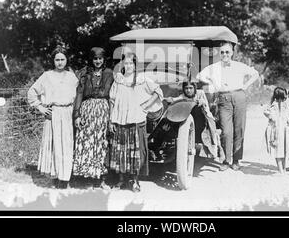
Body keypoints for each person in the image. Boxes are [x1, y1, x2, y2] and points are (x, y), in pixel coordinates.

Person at [196, 41, 259, 171]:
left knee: (239, 128)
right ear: (220, 53)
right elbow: (199, 75)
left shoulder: (239, 66)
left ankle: (236, 160)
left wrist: (245, 86)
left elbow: (255, 74)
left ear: (232, 53)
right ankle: (225, 159)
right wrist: (212, 82)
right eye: (223, 52)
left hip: (239, 96)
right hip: (223, 99)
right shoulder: (214, 67)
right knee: (226, 131)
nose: (225, 54)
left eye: (227, 52)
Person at [108, 53, 163, 192]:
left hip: (136, 119)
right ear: (122, 65)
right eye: (126, 64)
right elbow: (112, 101)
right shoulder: (118, 80)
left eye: (131, 63)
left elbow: (157, 91)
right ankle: (121, 180)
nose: (128, 66)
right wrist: (111, 120)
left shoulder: (142, 79)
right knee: (120, 151)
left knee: (136, 152)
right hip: (119, 120)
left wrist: (145, 106)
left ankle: (135, 181)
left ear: (135, 65)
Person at [27, 46, 78, 189]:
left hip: (67, 113)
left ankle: (65, 178)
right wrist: (40, 107)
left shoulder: (72, 77)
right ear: (53, 61)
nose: (60, 62)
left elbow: (77, 96)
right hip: (53, 113)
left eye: (62, 59)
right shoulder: (47, 76)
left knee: (66, 145)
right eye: (57, 60)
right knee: (54, 145)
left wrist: (76, 114)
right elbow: (32, 92)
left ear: (67, 60)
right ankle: (55, 175)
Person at [72, 47, 114, 187]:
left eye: (100, 58)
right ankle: (86, 177)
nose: (98, 61)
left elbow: (114, 95)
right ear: (91, 59)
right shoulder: (85, 73)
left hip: (103, 111)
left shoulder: (109, 73)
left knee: (101, 142)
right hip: (87, 110)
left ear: (104, 59)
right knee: (87, 142)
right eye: (95, 58)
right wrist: (77, 115)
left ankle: (100, 178)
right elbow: (79, 93)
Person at [164, 80, 225, 162]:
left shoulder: (200, 93)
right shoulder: (183, 96)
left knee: (211, 130)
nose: (188, 90)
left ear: (194, 88)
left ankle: (219, 149)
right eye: (186, 88)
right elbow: (176, 99)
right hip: (191, 119)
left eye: (191, 88)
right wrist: (170, 99)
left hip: (203, 118)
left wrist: (201, 102)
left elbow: (205, 103)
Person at [263, 87, 289, 174]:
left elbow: (288, 116)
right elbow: (266, 112)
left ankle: (283, 169)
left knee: (283, 150)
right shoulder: (273, 105)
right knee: (278, 150)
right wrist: (272, 118)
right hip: (276, 130)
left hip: (283, 131)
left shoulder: (285, 105)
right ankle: (281, 170)